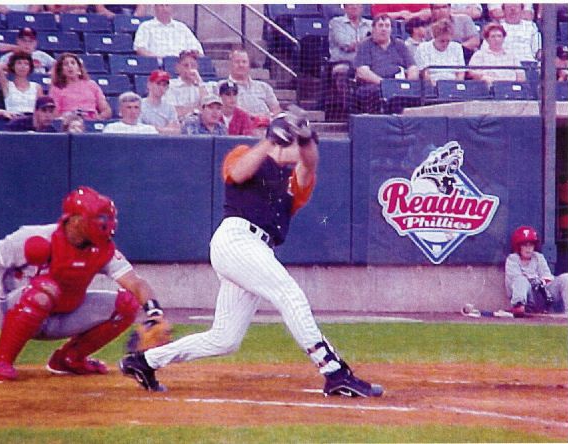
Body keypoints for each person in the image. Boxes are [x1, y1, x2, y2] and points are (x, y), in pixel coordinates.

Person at [119, 108, 384, 399]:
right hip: (236, 239)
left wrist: (305, 136)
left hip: (257, 249)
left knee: (225, 339)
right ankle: (334, 371)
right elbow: (237, 172)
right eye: (292, 142)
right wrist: (271, 139)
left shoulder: (297, 179)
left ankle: (144, 361)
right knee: (290, 295)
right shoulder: (245, 153)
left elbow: (310, 163)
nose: (296, 149)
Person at [0, 186, 167, 383]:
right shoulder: (37, 237)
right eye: (99, 218)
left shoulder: (102, 248)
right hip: (14, 309)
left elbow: (135, 283)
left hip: (63, 312)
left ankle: (69, 359)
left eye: (107, 218)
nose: (106, 224)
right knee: (46, 289)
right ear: (75, 220)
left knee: (127, 304)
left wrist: (155, 313)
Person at [354, 14, 419, 113]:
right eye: (380, 25)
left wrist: (408, 83)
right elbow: (362, 71)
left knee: (415, 92)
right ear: (373, 29)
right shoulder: (365, 45)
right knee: (374, 92)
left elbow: (413, 67)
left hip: (398, 84)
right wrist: (385, 84)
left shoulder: (400, 45)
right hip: (374, 86)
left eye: (387, 26)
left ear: (391, 29)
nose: (384, 29)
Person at [505, 226, 568, 317]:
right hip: (527, 299)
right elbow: (515, 279)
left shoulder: (538, 257)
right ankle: (519, 308)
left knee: (566, 278)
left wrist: (540, 282)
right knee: (521, 280)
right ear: (518, 246)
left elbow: (547, 277)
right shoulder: (512, 259)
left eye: (531, 245)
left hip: (542, 295)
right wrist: (533, 280)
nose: (528, 248)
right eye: (525, 245)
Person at [328, 4, 374, 117]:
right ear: (345, 7)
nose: (354, 7)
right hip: (343, 62)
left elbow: (376, 43)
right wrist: (368, 42)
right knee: (342, 71)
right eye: (351, 4)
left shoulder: (370, 24)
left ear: (362, 7)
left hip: (366, 63)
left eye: (357, 4)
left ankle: (370, 111)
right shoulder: (336, 22)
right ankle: (348, 111)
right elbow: (345, 44)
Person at [49, 53, 112, 120]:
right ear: (61, 70)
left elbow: (106, 110)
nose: (70, 66)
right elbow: (55, 115)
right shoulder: (56, 88)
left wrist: (98, 119)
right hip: (69, 123)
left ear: (79, 68)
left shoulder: (92, 85)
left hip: (91, 121)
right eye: (65, 64)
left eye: (73, 63)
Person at [133, 4, 203, 60]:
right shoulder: (146, 26)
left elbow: (198, 51)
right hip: (157, 67)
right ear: (155, 8)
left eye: (167, 5)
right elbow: (140, 49)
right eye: (161, 5)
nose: (164, 9)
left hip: (182, 68)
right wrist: (161, 59)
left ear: (171, 8)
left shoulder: (182, 27)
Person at [226, 49, 281, 118]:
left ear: (249, 65)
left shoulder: (264, 86)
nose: (241, 65)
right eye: (237, 62)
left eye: (244, 62)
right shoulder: (222, 87)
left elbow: (276, 109)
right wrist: (252, 117)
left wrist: (268, 116)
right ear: (230, 64)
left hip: (266, 123)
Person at [164, 50, 216, 120]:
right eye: (186, 65)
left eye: (193, 66)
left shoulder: (202, 87)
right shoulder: (170, 86)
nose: (190, 69)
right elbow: (173, 111)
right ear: (178, 67)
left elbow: (208, 108)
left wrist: (200, 83)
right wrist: (197, 109)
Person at [416, 19, 466, 84]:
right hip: (432, 85)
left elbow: (461, 73)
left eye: (448, 41)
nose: (445, 44)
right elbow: (425, 73)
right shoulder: (423, 47)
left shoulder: (457, 47)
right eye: (442, 41)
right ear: (434, 37)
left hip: (453, 84)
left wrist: (456, 86)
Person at [140, 70, 181, 135]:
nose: (161, 88)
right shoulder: (139, 104)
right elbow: (139, 129)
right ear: (149, 85)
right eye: (158, 84)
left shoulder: (169, 107)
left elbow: (176, 131)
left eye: (164, 85)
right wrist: (165, 129)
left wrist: (154, 129)